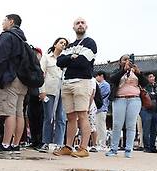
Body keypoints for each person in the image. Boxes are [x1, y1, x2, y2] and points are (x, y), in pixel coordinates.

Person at [54, 17, 97, 158]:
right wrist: (73, 56)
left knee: (82, 114)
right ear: (73, 27)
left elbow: (84, 62)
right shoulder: (70, 46)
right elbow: (59, 61)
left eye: (82, 22)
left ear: (86, 26)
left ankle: (83, 148)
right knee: (70, 117)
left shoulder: (90, 42)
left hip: (82, 81)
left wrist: (70, 59)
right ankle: (68, 146)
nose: (80, 25)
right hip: (67, 82)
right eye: (77, 23)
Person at [0, 14, 27, 153]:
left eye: (4, 20)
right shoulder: (23, 38)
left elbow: (2, 58)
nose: (2, 23)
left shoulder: (7, 36)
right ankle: (16, 143)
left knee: (9, 112)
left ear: (11, 21)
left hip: (9, 78)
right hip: (22, 80)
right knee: (19, 112)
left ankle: (5, 144)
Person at [105, 55, 148, 158]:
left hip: (134, 99)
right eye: (125, 59)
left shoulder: (136, 72)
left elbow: (145, 83)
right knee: (117, 124)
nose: (127, 61)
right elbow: (112, 79)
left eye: (129, 59)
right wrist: (124, 71)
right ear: (120, 62)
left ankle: (129, 149)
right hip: (119, 99)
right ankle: (114, 148)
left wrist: (138, 73)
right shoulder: (117, 71)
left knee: (131, 125)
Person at [38, 38, 68, 152]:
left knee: (61, 118)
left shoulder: (65, 60)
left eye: (65, 44)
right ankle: (45, 142)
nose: (63, 45)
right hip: (49, 90)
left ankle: (59, 143)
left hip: (63, 92)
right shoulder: (46, 57)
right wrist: (42, 90)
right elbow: (41, 74)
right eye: (61, 42)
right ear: (55, 44)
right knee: (48, 117)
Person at [139, 72, 157, 153]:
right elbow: (145, 95)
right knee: (146, 129)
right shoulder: (144, 87)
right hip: (146, 109)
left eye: (153, 76)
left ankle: (152, 146)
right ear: (147, 78)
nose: (153, 78)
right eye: (150, 77)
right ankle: (146, 146)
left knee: (154, 129)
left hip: (154, 110)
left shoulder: (155, 87)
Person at [94, 71, 110, 151]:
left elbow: (99, 95)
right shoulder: (101, 85)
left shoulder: (105, 85)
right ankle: (99, 143)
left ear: (101, 76)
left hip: (102, 108)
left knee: (101, 127)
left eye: (97, 75)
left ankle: (102, 144)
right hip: (98, 109)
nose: (96, 77)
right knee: (98, 126)